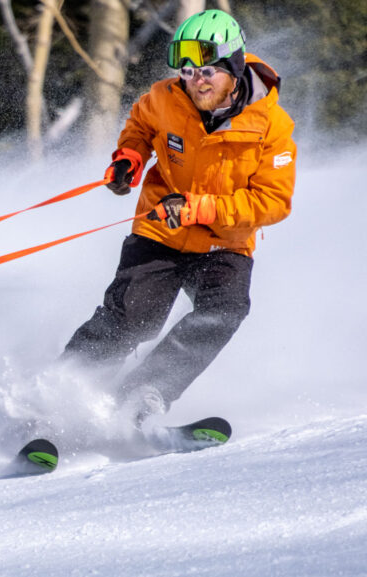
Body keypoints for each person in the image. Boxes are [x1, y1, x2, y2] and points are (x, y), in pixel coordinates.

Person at [60, 10, 296, 426]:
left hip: (225, 240)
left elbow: (273, 201)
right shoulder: (166, 97)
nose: (195, 80)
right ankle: (56, 395)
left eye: (206, 70)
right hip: (160, 230)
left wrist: (201, 209)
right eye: (186, 70)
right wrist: (128, 160)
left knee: (225, 309)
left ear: (233, 68)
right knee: (133, 317)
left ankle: (143, 395)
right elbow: (140, 126)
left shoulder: (271, 125)